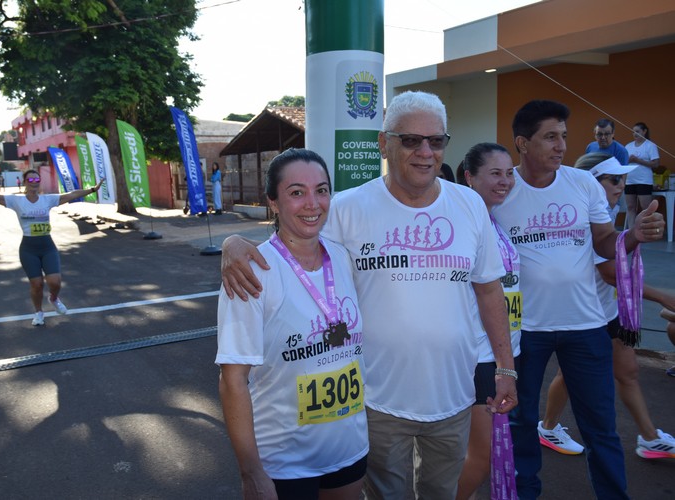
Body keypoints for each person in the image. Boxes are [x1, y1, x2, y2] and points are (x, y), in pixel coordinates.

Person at [221, 91, 517, 499]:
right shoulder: (348, 208)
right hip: (375, 403)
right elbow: (295, 237)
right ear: (384, 143)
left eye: (436, 141)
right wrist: (234, 243)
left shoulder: (468, 205)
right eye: (411, 140)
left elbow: (489, 291)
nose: (425, 152)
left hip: (454, 397)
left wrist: (506, 366)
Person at [492, 100, 665, 500]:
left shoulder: (582, 183)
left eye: (564, 136)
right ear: (522, 142)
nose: (561, 145)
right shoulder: (502, 190)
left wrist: (634, 235)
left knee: (601, 427)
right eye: (550, 137)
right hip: (523, 331)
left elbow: (604, 242)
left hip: (585, 325)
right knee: (519, 425)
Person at [216, 148, 367, 500]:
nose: (313, 204)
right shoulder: (251, 271)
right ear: (273, 202)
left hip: (349, 450)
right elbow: (232, 379)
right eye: (297, 192)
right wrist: (251, 471)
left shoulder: (342, 257)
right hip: (284, 461)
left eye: (322, 190)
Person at [538, 154, 675, 460]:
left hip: (610, 312)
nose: (621, 185)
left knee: (627, 372)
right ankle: (547, 427)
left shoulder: (608, 211)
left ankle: (650, 438)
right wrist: (664, 297)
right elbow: (609, 273)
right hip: (588, 317)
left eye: (622, 179)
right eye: (614, 180)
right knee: (572, 377)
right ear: (589, 182)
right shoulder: (584, 219)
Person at [0, 170, 103, 326]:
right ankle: (38, 313)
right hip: (29, 249)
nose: (34, 181)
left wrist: (92, 189)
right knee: (37, 285)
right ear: (25, 182)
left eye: (37, 178)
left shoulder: (47, 200)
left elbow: (71, 195)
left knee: (55, 282)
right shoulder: (17, 201)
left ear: (39, 181)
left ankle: (54, 298)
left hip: (47, 246)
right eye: (30, 179)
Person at [455, 143, 522, 500]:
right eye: (495, 173)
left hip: (501, 354)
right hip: (480, 358)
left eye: (509, 173)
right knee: (480, 459)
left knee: (477, 457)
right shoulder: (463, 224)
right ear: (469, 177)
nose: (506, 181)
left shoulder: (493, 218)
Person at [624, 122, 660, 230]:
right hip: (630, 180)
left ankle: (648, 230)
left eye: (637, 131)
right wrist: (628, 160)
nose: (635, 134)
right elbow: (622, 163)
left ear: (644, 132)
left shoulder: (650, 146)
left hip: (644, 181)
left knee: (646, 208)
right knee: (630, 207)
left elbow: (656, 164)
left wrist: (638, 160)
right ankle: (631, 231)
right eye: (633, 131)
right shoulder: (628, 146)